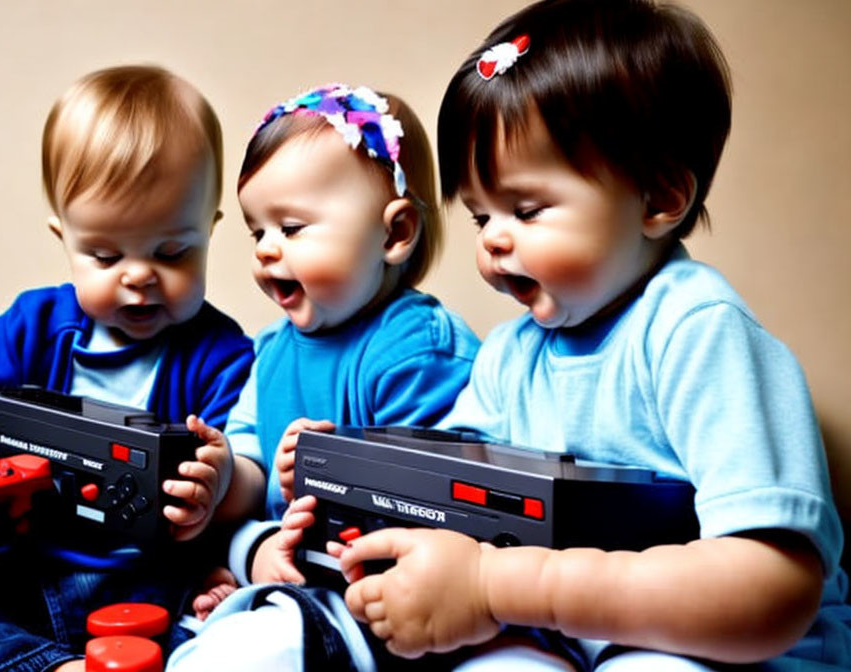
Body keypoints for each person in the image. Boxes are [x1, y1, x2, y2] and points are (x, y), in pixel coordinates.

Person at [332, 1, 851, 670]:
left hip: (721, 650)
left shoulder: (696, 333)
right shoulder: (512, 355)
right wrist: (348, 485)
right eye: (481, 212)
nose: (492, 238)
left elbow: (773, 590)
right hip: (562, 633)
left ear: (660, 198)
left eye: (524, 208)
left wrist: (497, 584)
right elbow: (456, 503)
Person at [164, 83, 479, 670]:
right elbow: (254, 465)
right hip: (300, 575)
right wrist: (223, 475)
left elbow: (441, 501)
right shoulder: (274, 350)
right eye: (258, 232)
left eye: (292, 227)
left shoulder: (413, 348)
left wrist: (326, 477)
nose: (265, 250)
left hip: (385, 601)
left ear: (394, 234)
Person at [0, 65, 254, 672]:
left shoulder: (219, 355)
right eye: (105, 255)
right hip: (27, 563)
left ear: (210, 231)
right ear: (64, 238)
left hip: (146, 576)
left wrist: (217, 483)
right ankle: (51, 664)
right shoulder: (35, 326)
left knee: (222, 611)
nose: (138, 276)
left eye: (172, 252)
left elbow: (237, 458)